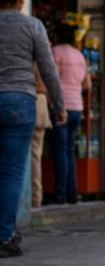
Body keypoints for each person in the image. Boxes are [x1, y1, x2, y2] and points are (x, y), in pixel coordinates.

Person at [0, 0, 66, 257]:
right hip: (20, 101)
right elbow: (49, 70)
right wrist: (60, 105)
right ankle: (4, 236)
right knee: (12, 172)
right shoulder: (33, 26)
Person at [50, 23, 89, 204]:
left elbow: (52, 77)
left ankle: (60, 194)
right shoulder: (79, 56)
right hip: (77, 107)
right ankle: (73, 192)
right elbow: (87, 84)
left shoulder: (55, 52)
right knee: (70, 150)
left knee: (60, 150)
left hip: (61, 107)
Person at [31, 70, 52, 208]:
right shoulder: (45, 58)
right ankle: (36, 197)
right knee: (35, 155)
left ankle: (32, 197)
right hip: (42, 101)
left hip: (30, 98)